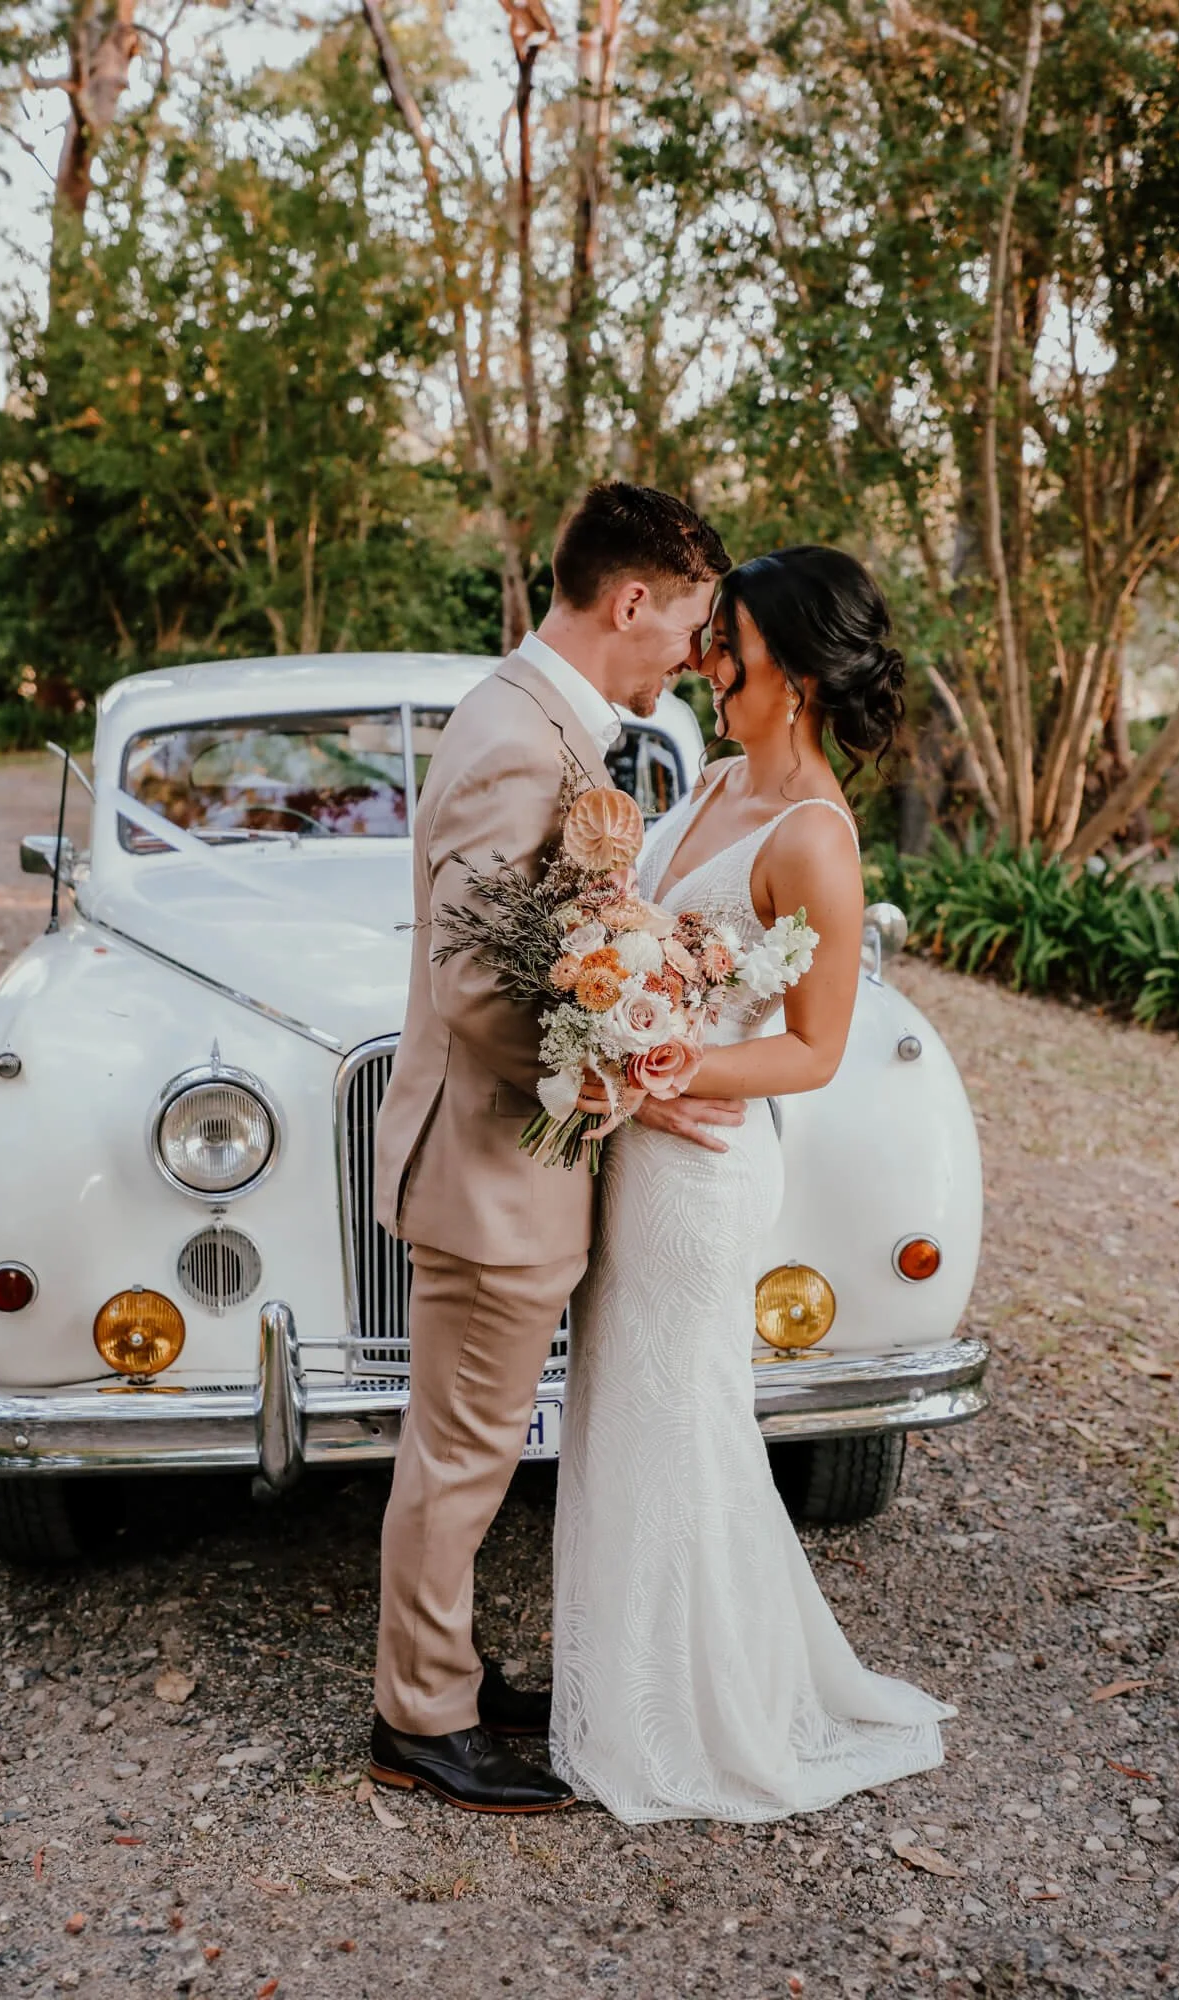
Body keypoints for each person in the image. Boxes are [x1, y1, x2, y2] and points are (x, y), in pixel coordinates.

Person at [550, 545, 956, 1822]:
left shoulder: (816, 841)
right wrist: (606, 975)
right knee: (624, 1411)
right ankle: (631, 1684)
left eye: (728, 645)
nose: (708, 665)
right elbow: (645, 927)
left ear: (796, 670)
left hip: (706, 1171)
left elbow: (817, 1046)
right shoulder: (716, 776)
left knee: (678, 1419)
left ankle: (700, 1714)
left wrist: (684, 1054)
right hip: (642, 1146)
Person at [369, 481, 734, 1813]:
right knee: (461, 1454)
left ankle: (447, 1673)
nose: (693, 655)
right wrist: (627, 1073)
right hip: (487, 1170)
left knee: (471, 1447)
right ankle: (418, 1720)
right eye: (688, 625)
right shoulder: (518, 735)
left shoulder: (547, 727)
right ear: (630, 602)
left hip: (518, 1169)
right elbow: (476, 980)